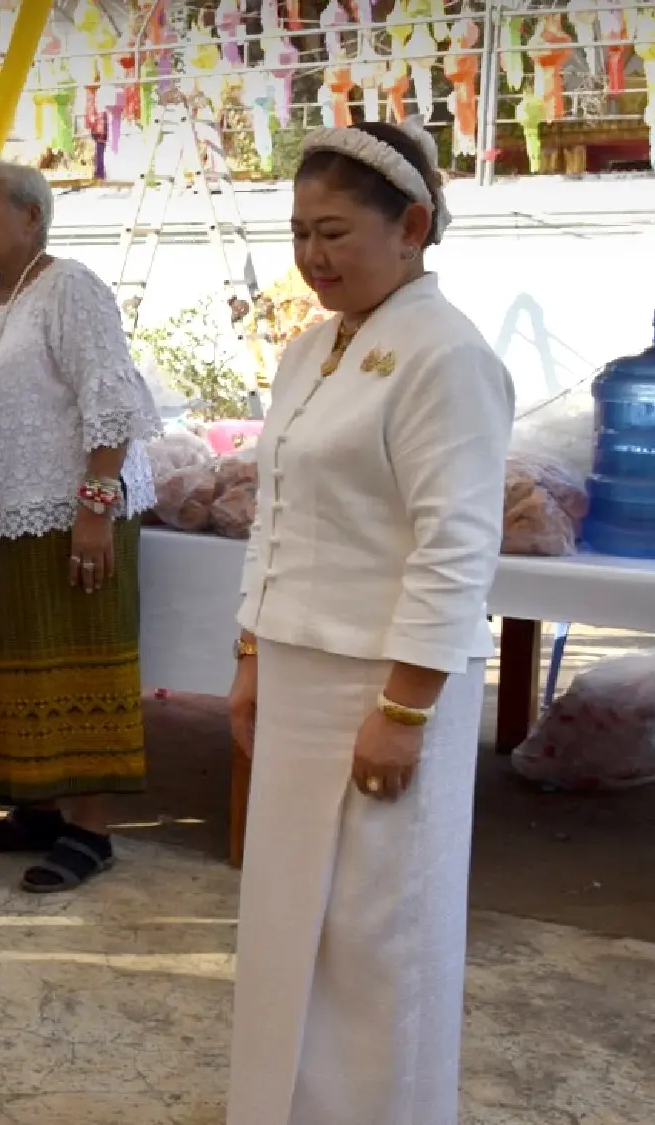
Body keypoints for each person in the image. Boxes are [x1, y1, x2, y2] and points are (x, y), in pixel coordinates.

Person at [226, 120, 511, 1125]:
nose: (311, 256)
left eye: (334, 232)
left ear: (413, 227)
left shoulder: (446, 357)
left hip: (383, 687)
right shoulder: (308, 349)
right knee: (283, 916)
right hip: (300, 676)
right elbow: (273, 509)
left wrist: (403, 708)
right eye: (299, 231)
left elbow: (453, 546)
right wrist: (252, 650)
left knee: (375, 933)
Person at [0, 160, 160, 894]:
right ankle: (34, 809)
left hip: (75, 517)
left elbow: (111, 394)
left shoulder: (70, 288)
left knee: (77, 661)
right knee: (13, 664)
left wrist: (95, 509)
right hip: (4, 521)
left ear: (32, 218)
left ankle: (90, 831)